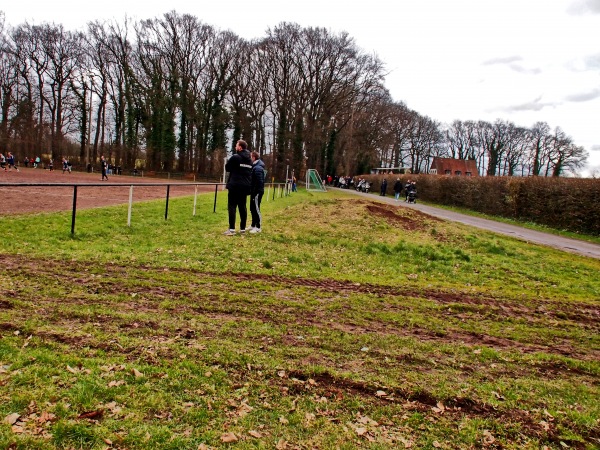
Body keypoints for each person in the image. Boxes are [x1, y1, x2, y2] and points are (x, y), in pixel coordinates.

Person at [223, 140, 252, 236]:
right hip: (245, 186)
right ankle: (242, 229)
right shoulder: (250, 159)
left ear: (240, 147)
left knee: (232, 206)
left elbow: (227, 168)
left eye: (236, 145)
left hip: (235, 185)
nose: (235, 147)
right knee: (243, 207)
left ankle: (231, 229)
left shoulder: (235, 157)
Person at [249, 151, 266, 234]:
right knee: (252, 208)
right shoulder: (255, 166)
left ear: (254, 157)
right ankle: (253, 225)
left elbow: (260, 181)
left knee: (256, 208)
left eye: (250, 157)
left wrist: (257, 191)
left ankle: (258, 227)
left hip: (257, 192)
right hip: (253, 191)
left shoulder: (258, 168)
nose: (250, 158)